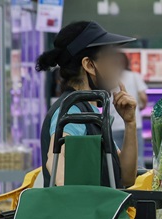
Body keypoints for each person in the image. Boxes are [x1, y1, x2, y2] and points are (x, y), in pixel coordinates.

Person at [35, 21, 138, 188]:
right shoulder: (73, 111)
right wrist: (77, 204)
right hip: (80, 213)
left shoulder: (88, 110)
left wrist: (130, 123)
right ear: (89, 65)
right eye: (110, 58)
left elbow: (126, 177)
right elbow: (55, 159)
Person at [110, 52, 148, 164]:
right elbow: (143, 97)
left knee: (115, 161)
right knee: (137, 160)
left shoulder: (108, 77)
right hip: (133, 123)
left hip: (113, 125)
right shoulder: (134, 76)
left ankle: (117, 181)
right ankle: (138, 181)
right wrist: (140, 107)